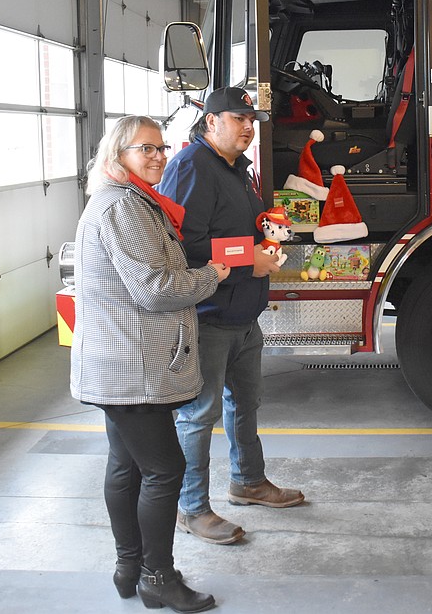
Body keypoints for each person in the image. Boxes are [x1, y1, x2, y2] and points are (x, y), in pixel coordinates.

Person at [70, 115, 230, 612]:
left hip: (122, 364)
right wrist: (212, 276)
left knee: (127, 466)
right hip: (133, 368)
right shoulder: (124, 207)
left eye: (162, 147)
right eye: (146, 149)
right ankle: (158, 577)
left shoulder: (134, 201)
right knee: (165, 469)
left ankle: (129, 568)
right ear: (118, 156)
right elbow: (154, 289)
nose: (159, 156)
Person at [158, 86, 305, 546]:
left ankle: (248, 482)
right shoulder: (190, 167)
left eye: (251, 119)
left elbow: (240, 229)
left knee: (245, 404)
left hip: (244, 314)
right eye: (237, 117)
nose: (247, 126)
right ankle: (191, 508)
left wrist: (269, 236)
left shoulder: (240, 168)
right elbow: (185, 246)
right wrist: (249, 262)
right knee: (197, 417)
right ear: (210, 122)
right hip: (207, 315)